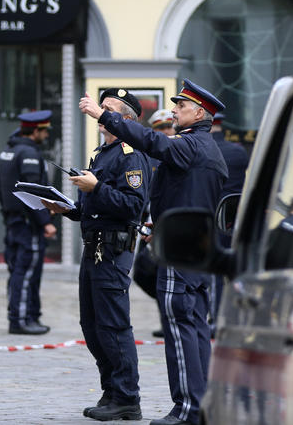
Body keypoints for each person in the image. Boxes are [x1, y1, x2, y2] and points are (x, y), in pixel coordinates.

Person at [79, 79, 228, 425]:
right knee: (193, 329)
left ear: (200, 113)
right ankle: (196, 405)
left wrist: (104, 114)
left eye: (182, 106)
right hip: (196, 249)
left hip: (181, 250)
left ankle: (188, 408)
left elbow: (151, 142)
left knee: (180, 329)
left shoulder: (192, 145)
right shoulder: (205, 149)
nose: (174, 110)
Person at [43, 88, 150, 422]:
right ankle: (112, 390)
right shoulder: (104, 153)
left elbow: (134, 206)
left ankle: (127, 397)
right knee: (91, 325)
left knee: (113, 325)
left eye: (109, 109)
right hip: (95, 248)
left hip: (114, 250)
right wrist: (69, 208)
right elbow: (97, 207)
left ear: (126, 119)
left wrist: (96, 188)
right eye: (101, 107)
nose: (101, 114)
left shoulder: (130, 153)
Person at [0, 110, 57, 335]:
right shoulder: (29, 154)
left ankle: (29, 316)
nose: (46, 135)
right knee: (26, 272)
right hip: (27, 223)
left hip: (14, 221)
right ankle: (20, 320)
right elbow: (32, 192)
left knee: (18, 271)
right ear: (36, 131)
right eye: (44, 131)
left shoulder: (9, 150)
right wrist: (45, 222)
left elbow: (0, 190)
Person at [132, 109, 177, 338]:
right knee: (145, 272)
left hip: (171, 224)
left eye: (170, 126)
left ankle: (173, 319)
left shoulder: (180, 150)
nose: (166, 131)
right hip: (148, 224)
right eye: (160, 128)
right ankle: (165, 316)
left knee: (171, 274)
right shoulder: (148, 154)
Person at [208, 112, 248, 329]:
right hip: (233, 218)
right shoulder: (239, 152)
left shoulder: (205, 150)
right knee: (232, 268)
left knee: (213, 271)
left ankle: (215, 317)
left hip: (209, 215)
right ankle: (234, 314)